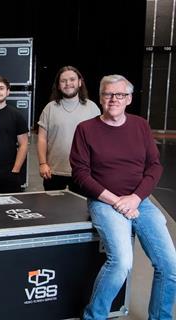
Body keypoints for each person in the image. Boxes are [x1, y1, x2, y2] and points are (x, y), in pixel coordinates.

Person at [70, 74, 176, 319]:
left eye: (120, 94)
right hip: (105, 202)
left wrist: (136, 198)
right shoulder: (86, 129)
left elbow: (154, 166)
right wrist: (117, 201)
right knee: (121, 263)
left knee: (169, 265)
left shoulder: (140, 125)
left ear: (128, 98)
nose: (113, 99)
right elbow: (81, 174)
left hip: (140, 202)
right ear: (100, 98)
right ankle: (94, 316)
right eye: (108, 94)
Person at [37, 66, 100, 193]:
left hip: (84, 172)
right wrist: (42, 163)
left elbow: (99, 140)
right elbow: (42, 138)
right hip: (53, 171)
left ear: (79, 82)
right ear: (59, 85)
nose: (68, 84)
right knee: (53, 211)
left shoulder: (92, 107)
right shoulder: (50, 108)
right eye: (63, 81)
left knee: (80, 210)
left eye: (72, 79)